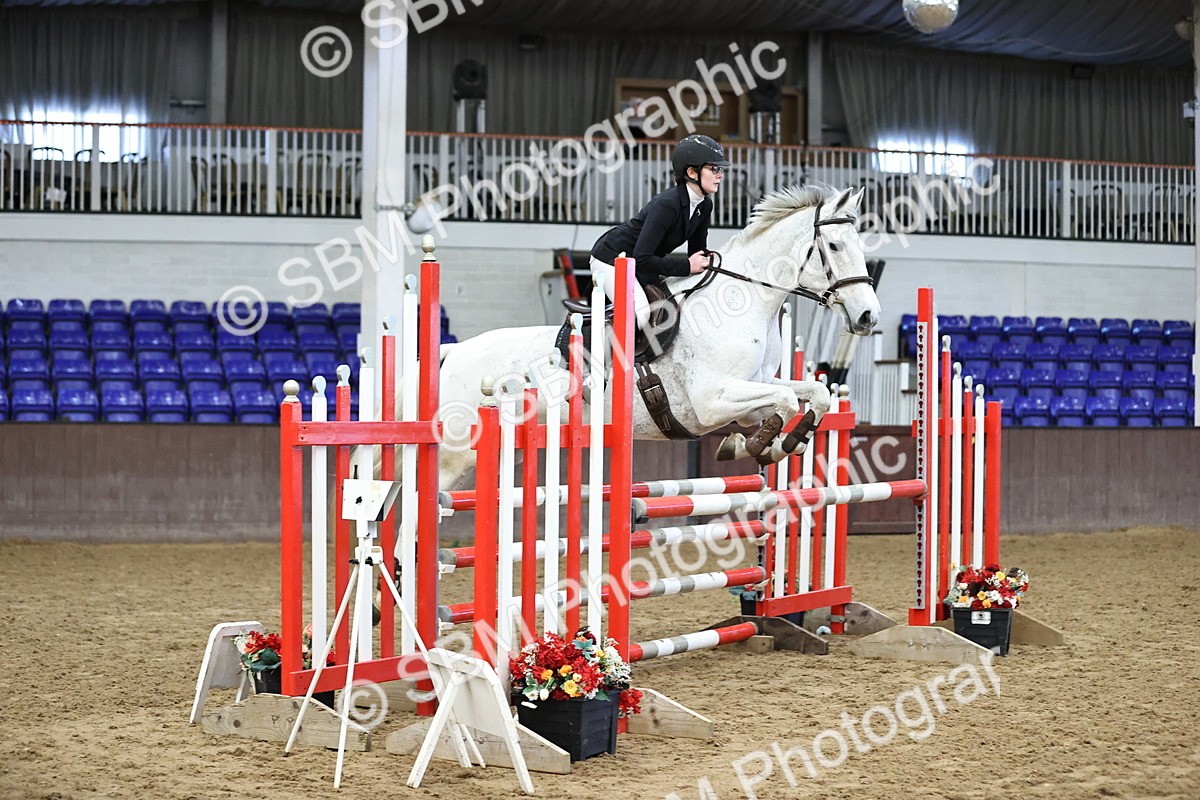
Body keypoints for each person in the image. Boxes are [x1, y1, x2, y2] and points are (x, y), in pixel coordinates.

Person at [589, 134, 728, 328]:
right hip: (611, 259)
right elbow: (643, 257)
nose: (720, 175)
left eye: (720, 169)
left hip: (638, 264)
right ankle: (605, 356)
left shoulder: (704, 205)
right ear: (692, 172)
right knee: (641, 313)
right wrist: (687, 266)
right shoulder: (667, 204)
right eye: (714, 169)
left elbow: (696, 252)